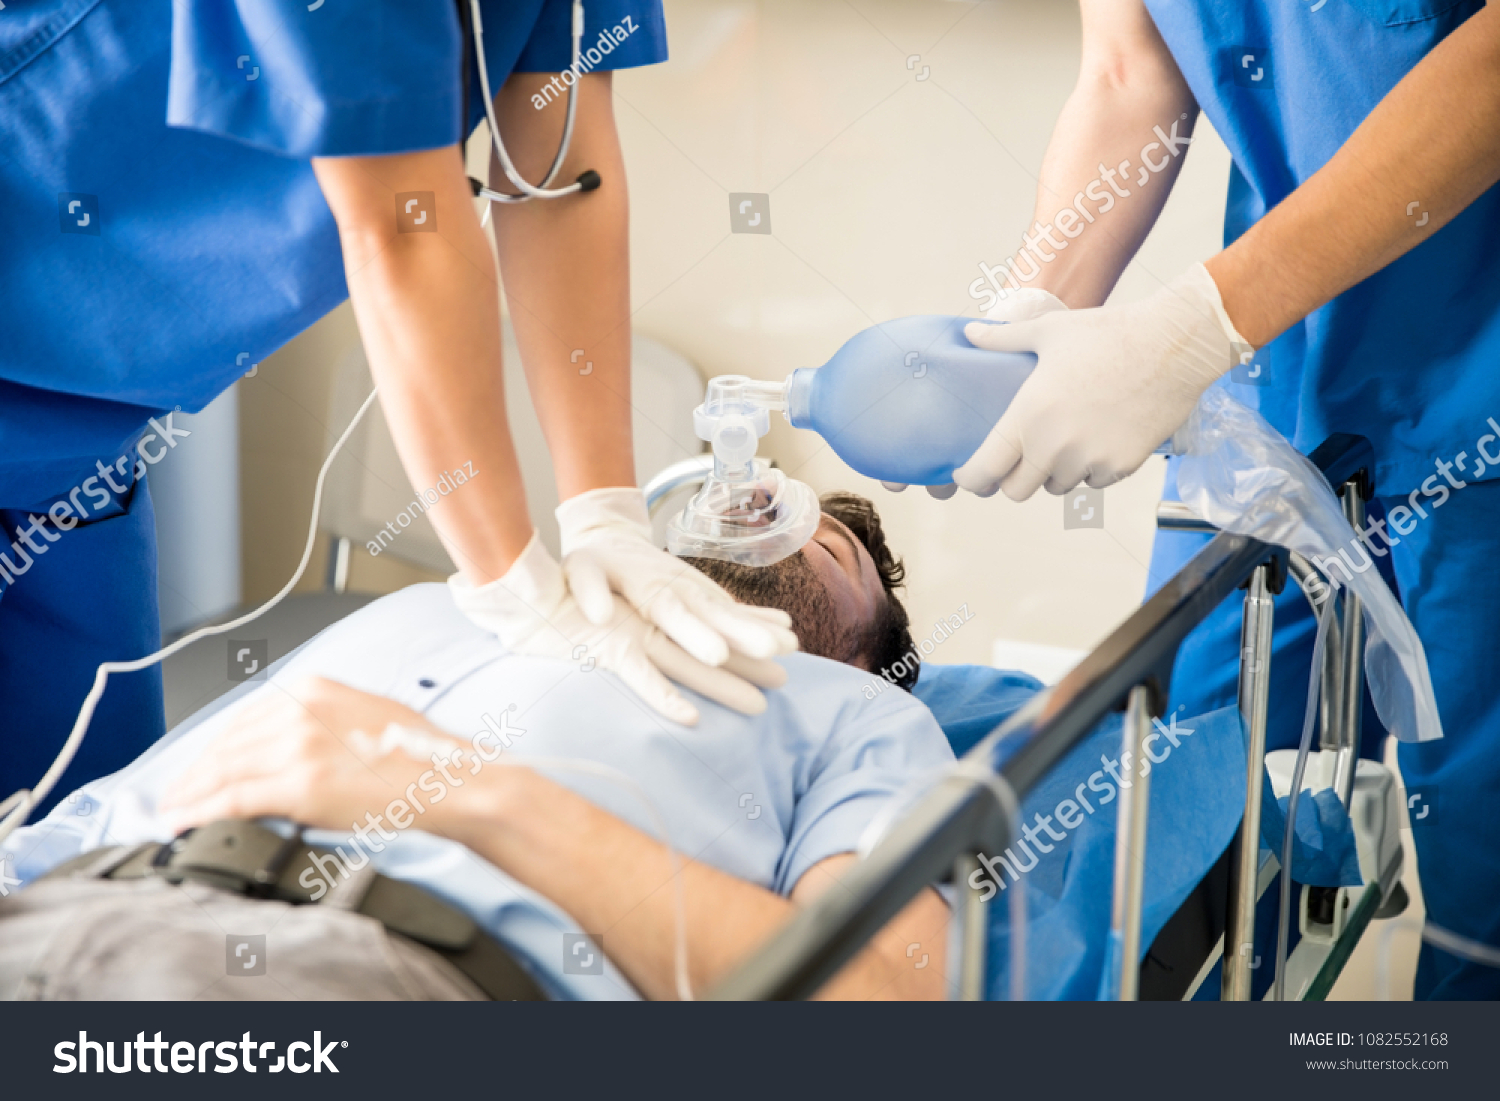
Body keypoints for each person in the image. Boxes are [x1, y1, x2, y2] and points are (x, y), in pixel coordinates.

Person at [0, 0, 790, 817]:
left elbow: (562, 169)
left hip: (78, 455)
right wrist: (516, 583)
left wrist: (605, 512)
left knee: (84, 845)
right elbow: (401, 225)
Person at [947, 1, 1500, 998]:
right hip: (1280, 385)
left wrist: (1198, 324)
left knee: (1481, 873)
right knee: (1186, 809)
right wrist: (1018, 334)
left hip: (1479, 377)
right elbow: (1129, 71)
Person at [1, 493, 954, 1001]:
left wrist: (476, 796)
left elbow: (875, 1003)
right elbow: (110, 802)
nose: (768, 517)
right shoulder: (449, 599)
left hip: (363, 971)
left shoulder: (863, 717)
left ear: (872, 654)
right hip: (69, 898)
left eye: (833, 552)